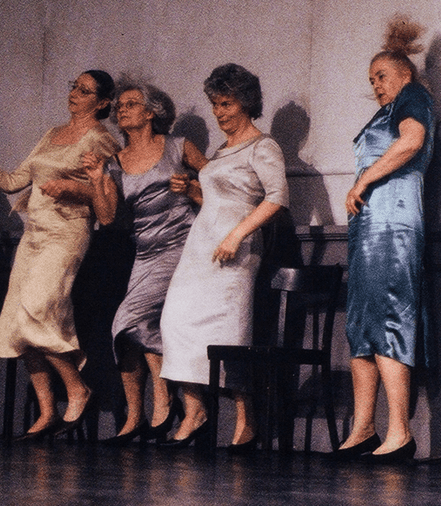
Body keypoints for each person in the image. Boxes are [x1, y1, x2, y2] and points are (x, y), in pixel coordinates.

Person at [0, 71, 120, 440]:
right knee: (18, 320)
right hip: (33, 234)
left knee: (37, 308)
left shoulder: (101, 139)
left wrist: (73, 187)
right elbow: (13, 181)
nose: (74, 94)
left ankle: (77, 389)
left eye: (84, 90)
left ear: (103, 102)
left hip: (67, 232)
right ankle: (47, 409)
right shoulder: (51, 134)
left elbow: (106, 197)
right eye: (73, 87)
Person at [159, 64, 289, 451]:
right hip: (201, 247)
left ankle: (246, 423)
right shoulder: (221, 151)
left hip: (236, 251)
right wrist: (193, 192)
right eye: (215, 104)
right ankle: (195, 410)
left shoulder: (263, 146)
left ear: (246, 103)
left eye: (226, 103)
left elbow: (277, 198)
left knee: (229, 335)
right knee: (176, 323)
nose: (219, 112)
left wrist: (237, 234)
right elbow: (217, 199)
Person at [82, 82, 206, 444]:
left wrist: (195, 186)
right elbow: (107, 218)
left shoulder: (178, 147)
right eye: (120, 105)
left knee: (128, 320)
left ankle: (165, 400)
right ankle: (136, 417)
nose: (122, 110)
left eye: (132, 104)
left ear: (151, 112)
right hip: (145, 252)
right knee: (125, 335)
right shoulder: (117, 162)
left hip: (181, 246)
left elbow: (220, 183)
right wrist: (96, 180)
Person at [336, 16, 436, 462]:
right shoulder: (387, 108)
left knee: (391, 316)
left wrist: (362, 182)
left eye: (382, 76)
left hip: (392, 224)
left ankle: (399, 431)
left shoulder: (414, 97)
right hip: (369, 227)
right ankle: (362, 428)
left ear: (405, 74)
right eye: (371, 79)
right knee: (361, 323)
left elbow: (411, 142)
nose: (376, 85)